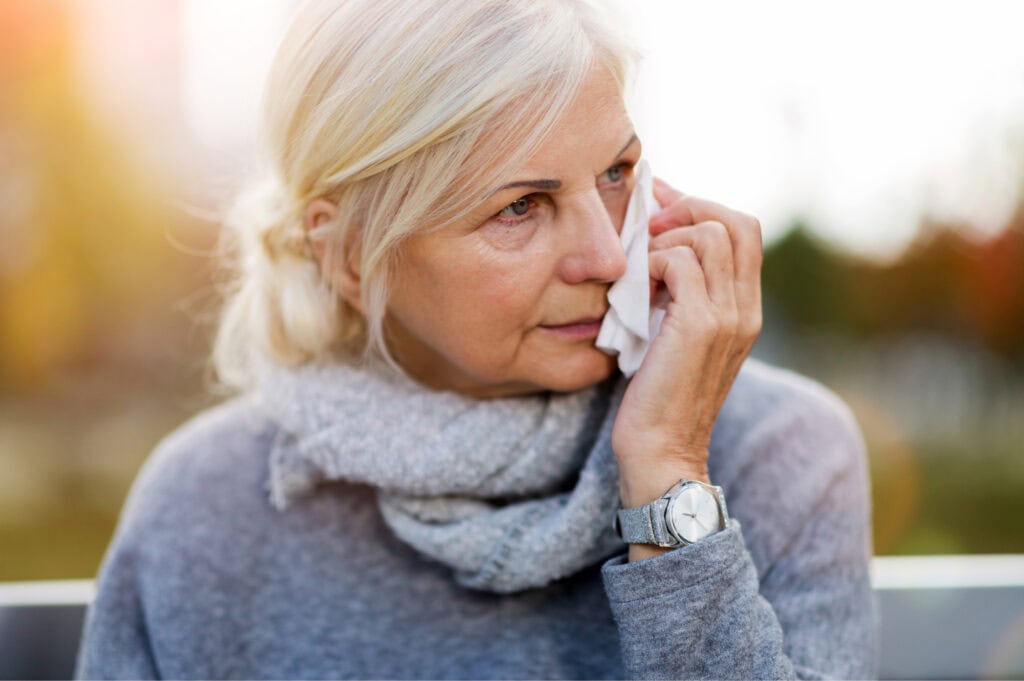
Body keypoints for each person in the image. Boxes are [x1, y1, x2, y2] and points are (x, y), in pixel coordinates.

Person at [74, 0, 877, 678]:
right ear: (348, 252)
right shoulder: (204, 512)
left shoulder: (780, 453)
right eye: (520, 207)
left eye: (615, 172)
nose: (605, 254)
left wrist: (669, 478)